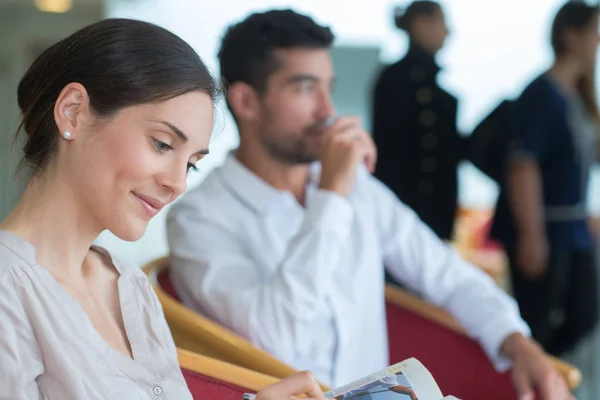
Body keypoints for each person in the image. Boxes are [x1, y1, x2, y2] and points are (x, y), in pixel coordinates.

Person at [167, 9, 572, 399]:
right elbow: (273, 338)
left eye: (330, 87)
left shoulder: (354, 186)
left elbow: (444, 272)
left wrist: (518, 342)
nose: (328, 109)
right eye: (306, 87)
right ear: (247, 101)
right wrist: (330, 197)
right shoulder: (199, 218)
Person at [0, 18, 325, 400]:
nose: (178, 183)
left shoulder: (128, 284)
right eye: (162, 144)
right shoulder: (9, 293)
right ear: (73, 112)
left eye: (190, 163)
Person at [491, 1, 600, 357]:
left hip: (573, 231)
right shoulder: (541, 94)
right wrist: (531, 233)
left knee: (584, 314)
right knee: (535, 321)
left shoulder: (576, 98)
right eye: (594, 33)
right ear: (570, 35)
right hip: (546, 229)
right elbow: (523, 165)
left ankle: (546, 372)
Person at [372, 1, 464, 241]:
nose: (447, 32)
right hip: (409, 221)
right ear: (420, 24)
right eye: (441, 23)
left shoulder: (426, 83)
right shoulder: (399, 81)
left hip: (429, 220)